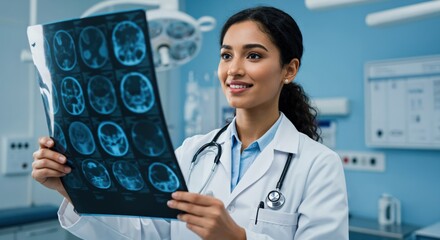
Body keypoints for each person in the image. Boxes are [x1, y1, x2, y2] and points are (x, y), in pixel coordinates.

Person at [32, 6, 348, 239]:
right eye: (227, 55)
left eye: (253, 56)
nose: (234, 69)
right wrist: (71, 189)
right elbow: (144, 233)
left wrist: (237, 238)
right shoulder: (194, 152)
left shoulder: (318, 165)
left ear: (289, 70)